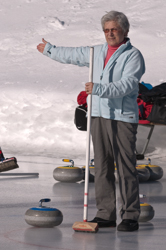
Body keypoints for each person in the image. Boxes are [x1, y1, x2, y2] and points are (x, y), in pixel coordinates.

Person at [37, 10, 145, 232]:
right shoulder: (97, 51)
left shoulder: (133, 56)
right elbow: (73, 54)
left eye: (114, 29)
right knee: (102, 166)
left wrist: (99, 89)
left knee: (125, 167)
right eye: (106, 30)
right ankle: (106, 213)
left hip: (121, 117)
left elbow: (128, 85)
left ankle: (130, 215)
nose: (110, 33)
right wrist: (50, 50)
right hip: (98, 115)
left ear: (125, 31)